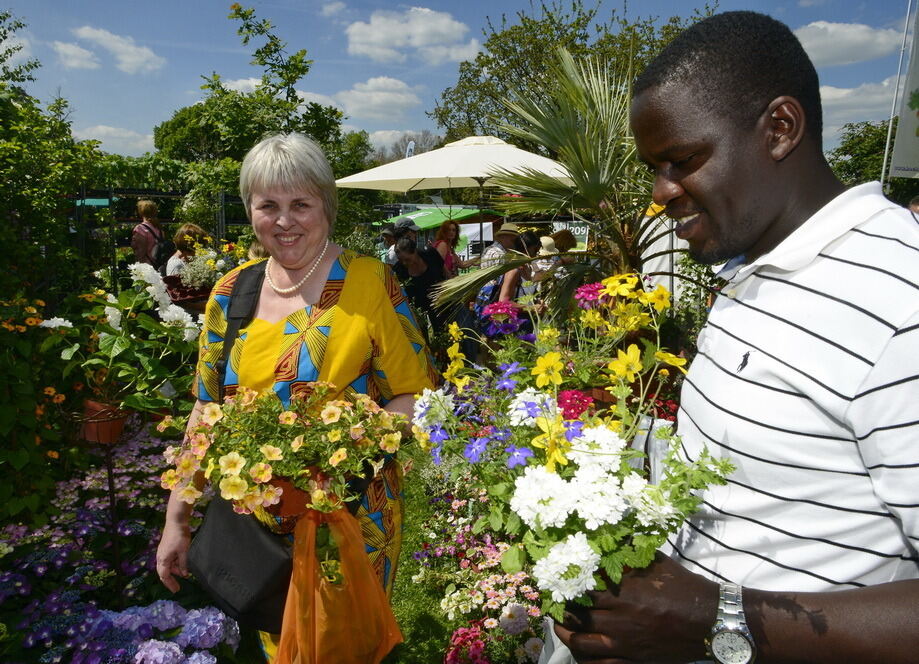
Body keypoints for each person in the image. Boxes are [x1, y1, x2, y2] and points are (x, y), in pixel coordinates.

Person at [554, 11, 919, 664]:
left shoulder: (899, 302)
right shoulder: (749, 269)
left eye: (682, 160)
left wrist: (713, 618)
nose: (661, 192)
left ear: (779, 128)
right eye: (652, 167)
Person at [155, 132, 436, 662]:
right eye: (269, 206)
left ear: (325, 206)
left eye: (300, 204)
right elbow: (205, 409)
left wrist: (351, 453)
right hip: (254, 524)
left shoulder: (370, 283)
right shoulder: (230, 292)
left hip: (350, 518)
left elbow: (413, 392)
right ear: (250, 212)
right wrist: (176, 521)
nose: (284, 221)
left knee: (344, 645)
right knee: (273, 640)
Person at [393, 236, 449, 335]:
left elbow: (446, 273)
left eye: (407, 259)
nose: (404, 263)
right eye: (401, 260)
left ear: (415, 251)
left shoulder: (430, 254)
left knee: (444, 334)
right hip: (418, 312)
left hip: (440, 303)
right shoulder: (399, 270)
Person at [131, 199, 165, 266]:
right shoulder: (159, 229)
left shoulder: (140, 229)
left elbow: (141, 252)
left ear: (141, 212)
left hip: (146, 267)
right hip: (158, 266)